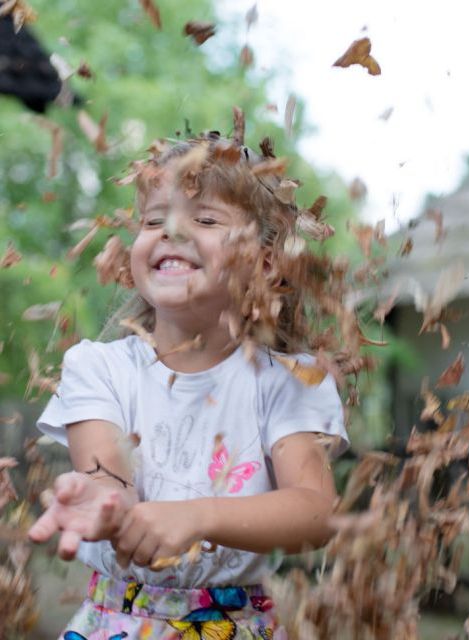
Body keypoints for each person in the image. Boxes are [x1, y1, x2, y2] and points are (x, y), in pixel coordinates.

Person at [28, 127, 349, 640]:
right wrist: (105, 506)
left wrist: (197, 515)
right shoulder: (99, 368)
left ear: (264, 263)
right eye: (155, 220)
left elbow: (315, 510)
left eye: (204, 219)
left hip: (235, 627)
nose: (171, 232)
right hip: (115, 625)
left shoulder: (289, 382)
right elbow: (109, 481)